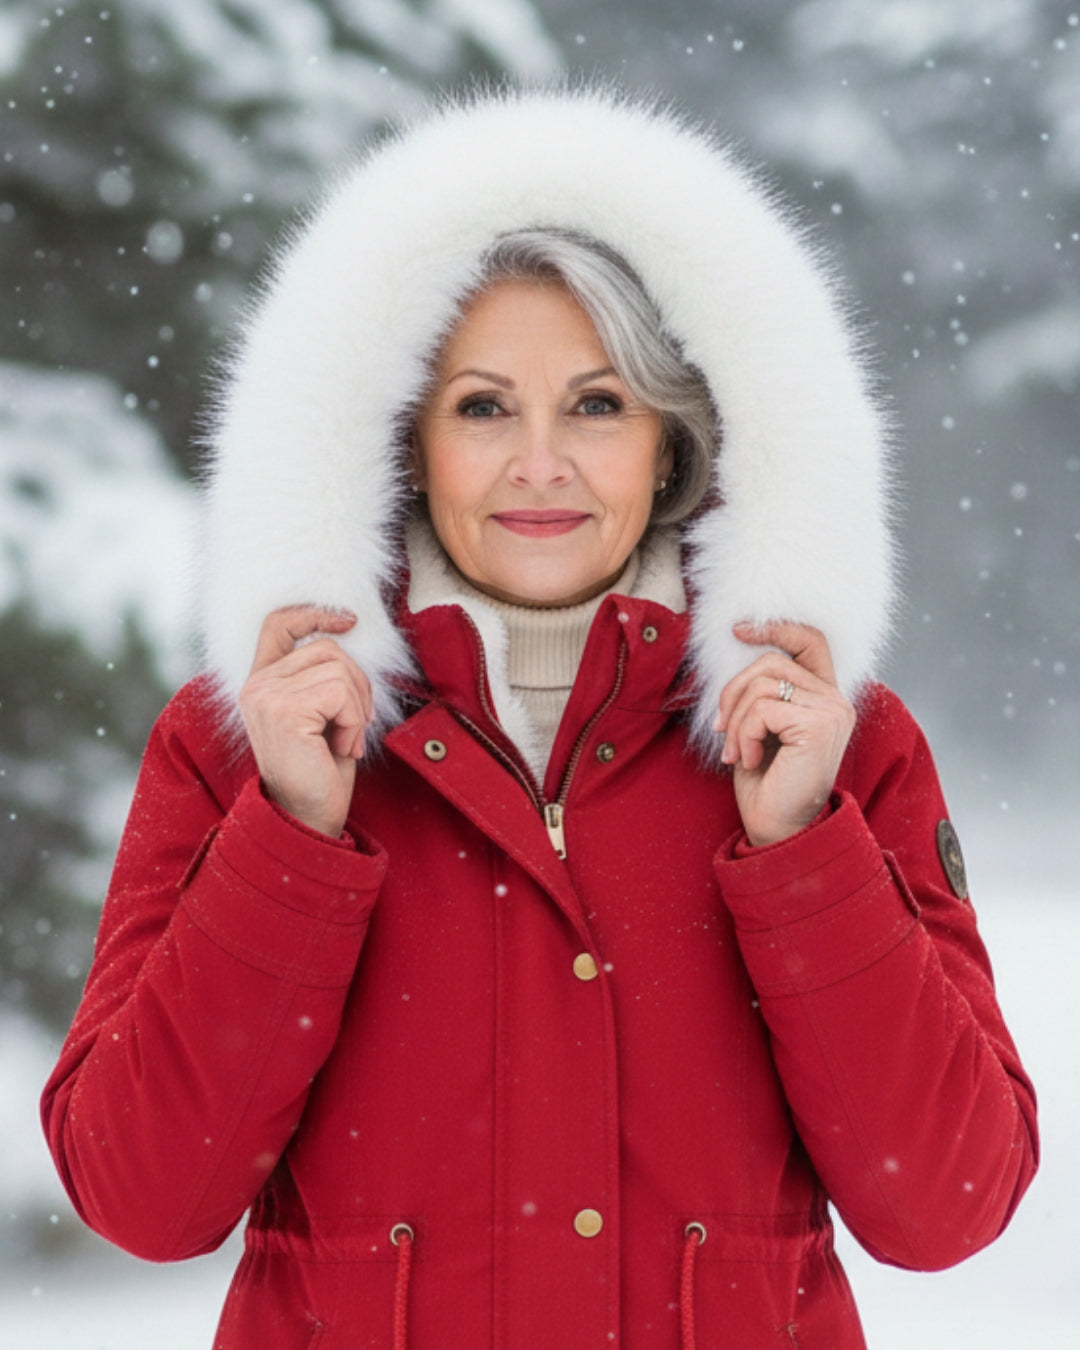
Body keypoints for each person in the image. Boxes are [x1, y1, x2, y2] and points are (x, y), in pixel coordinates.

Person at [41, 87, 1037, 1350]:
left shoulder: (832, 742)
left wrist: (801, 854)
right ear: (404, 443)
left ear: (676, 440)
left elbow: (945, 1207)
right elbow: (143, 1198)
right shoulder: (243, 739)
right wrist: (291, 832)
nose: (541, 463)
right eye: (482, 407)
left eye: (599, 404)